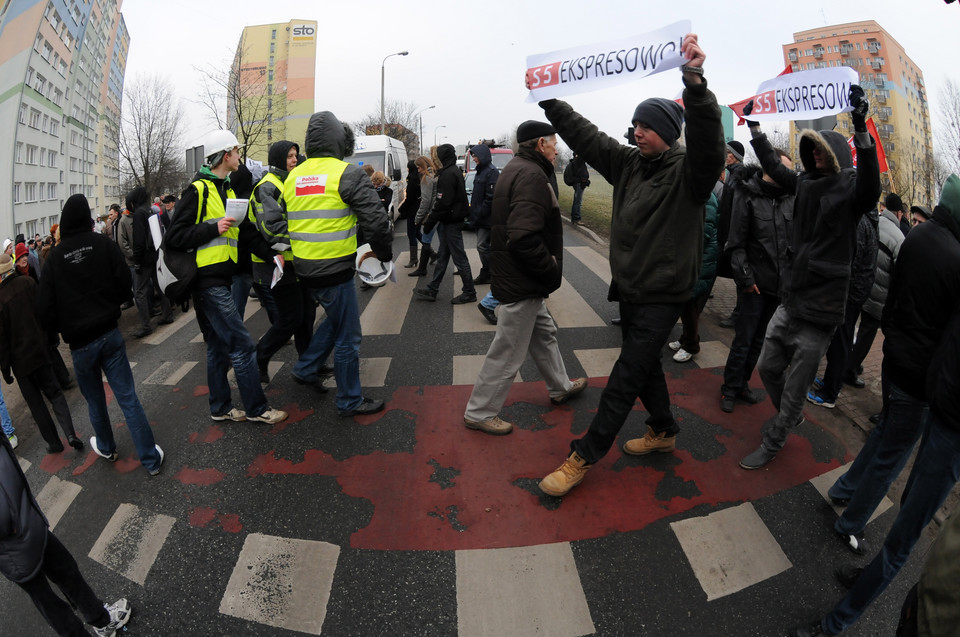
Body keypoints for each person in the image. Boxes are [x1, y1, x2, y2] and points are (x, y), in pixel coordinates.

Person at [536, 33, 725, 496]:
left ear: (669, 132)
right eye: (635, 123)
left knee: (626, 374)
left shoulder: (690, 174)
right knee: (647, 369)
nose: (637, 131)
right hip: (632, 289)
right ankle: (662, 430)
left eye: (647, 126)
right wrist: (549, 101)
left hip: (666, 293)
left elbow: (709, 146)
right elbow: (588, 136)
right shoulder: (628, 163)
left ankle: (583, 455)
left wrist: (695, 85)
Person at [737, 84, 881, 470]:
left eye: (820, 148)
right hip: (790, 301)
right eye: (810, 148)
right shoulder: (803, 183)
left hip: (820, 316)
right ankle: (789, 413)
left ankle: (777, 436)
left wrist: (860, 125)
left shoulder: (852, 191)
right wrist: (754, 129)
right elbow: (772, 166)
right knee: (767, 367)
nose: (814, 154)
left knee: (797, 390)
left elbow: (871, 184)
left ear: (834, 153)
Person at [824, 174, 960, 558]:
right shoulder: (954, 256)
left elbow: (896, 295)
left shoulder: (918, 236)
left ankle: (843, 489)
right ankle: (850, 523)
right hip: (919, 378)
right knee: (891, 457)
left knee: (884, 437)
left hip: (896, 359)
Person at [463, 121, 588, 436]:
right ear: (540, 144)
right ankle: (480, 411)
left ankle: (559, 386)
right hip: (524, 279)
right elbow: (522, 237)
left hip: (515, 274)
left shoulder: (516, 168)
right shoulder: (532, 175)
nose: (556, 149)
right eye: (553, 143)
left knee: (544, 333)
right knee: (508, 350)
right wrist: (549, 267)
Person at [165, 131, 288, 426]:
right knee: (242, 345)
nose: (239, 156)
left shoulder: (229, 191)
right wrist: (212, 228)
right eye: (236, 151)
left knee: (219, 346)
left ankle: (219, 407)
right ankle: (257, 409)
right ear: (224, 156)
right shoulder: (198, 190)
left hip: (223, 278)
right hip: (207, 282)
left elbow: (245, 233)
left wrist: (272, 254)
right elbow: (175, 236)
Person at [38, 194, 165, 475]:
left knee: (95, 400)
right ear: (86, 218)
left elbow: (45, 309)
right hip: (109, 333)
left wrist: (63, 326)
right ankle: (150, 459)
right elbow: (124, 284)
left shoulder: (55, 259)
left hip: (80, 344)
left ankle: (106, 446)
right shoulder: (102, 245)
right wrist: (110, 305)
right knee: (127, 397)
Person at [282, 111, 393, 417]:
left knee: (336, 320)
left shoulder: (293, 176)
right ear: (339, 141)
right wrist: (383, 256)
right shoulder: (346, 173)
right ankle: (348, 400)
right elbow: (376, 222)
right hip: (335, 269)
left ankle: (306, 367)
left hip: (305, 268)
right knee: (348, 337)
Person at [0, 433, 132, 637]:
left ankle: (102, 620)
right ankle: (96, 623)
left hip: (25, 519)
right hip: (10, 540)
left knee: (65, 570)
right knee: (50, 603)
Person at [719, 153, 795, 413]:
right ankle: (729, 388)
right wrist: (747, 279)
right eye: (784, 169)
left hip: (778, 289)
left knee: (760, 341)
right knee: (744, 339)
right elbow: (735, 243)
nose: (788, 175)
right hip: (753, 286)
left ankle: (742, 385)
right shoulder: (747, 194)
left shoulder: (788, 200)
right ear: (769, 167)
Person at [248, 140, 316, 385]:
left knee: (307, 315)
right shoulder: (267, 187)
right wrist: (307, 242)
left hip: (297, 262)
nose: (294, 160)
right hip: (276, 266)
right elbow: (273, 230)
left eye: (295, 155)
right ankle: (260, 356)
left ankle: (308, 365)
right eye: (289, 156)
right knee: (290, 319)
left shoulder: (292, 181)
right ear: (278, 159)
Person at [0, 254, 82, 454]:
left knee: (36, 404)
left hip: (21, 363)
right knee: (55, 393)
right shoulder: (28, 282)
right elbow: (45, 311)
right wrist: (52, 337)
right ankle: (70, 433)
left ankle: (54, 443)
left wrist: (5, 369)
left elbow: (1, 341)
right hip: (40, 350)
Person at [807, 209, 878, 408]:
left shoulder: (861, 221)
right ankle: (831, 381)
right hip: (855, 292)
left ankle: (830, 392)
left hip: (850, 294)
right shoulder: (868, 218)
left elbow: (850, 263)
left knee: (840, 343)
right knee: (841, 341)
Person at [844, 202, 904, 391]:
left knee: (848, 328)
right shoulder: (899, 237)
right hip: (879, 296)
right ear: (900, 214)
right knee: (866, 334)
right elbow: (899, 273)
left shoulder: (872, 221)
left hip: (860, 285)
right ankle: (849, 369)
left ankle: (846, 361)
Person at [415, 144, 476, 304]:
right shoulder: (452, 170)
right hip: (452, 220)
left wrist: (429, 223)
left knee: (460, 258)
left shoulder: (448, 175)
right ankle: (432, 289)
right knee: (442, 257)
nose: (435, 161)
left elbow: (443, 203)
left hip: (451, 222)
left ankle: (469, 291)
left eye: (436, 158)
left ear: (442, 158)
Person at [668, 181, 719, 363]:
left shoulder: (706, 196)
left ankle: (691, 345)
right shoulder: (695, 192)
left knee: (689, 303)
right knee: (686, 302)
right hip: (692, 257)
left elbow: (703, 232)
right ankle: (685, 339)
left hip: (700, 260)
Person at [131, 186, 174, 338]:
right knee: (160, 286)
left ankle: (145, 325)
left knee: (140, 292)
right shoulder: (151, 211)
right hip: (155, 254)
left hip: (144, 258)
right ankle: (167, 314)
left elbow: (139, 240)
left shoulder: (138, 214)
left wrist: (137, 261)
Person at [716, 140, 749, 329]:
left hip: (733, 235)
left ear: (734, 156)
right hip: (728, 233)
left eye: (727, 152)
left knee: (740, 276)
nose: (724, 155)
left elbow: (738, 209)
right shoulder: (732, 175)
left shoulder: (739, 176)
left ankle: (739, 315)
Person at [468, 144, 500, 285]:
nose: (474, 159)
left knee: (482, 246)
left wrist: (479, 214)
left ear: (483, 156)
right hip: (480, 217)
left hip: (487, 218)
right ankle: (489, 272)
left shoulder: (491, 172)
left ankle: (490, 272)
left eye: (475, 156)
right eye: (473, 156)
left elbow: (490, 198)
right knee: (484, 246)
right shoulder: (480, 171)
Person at [409, 154, 439, 277]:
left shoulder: (426, 178)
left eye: (419, 167)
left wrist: (418, 218)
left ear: (424, 166)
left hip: (431, 214)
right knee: (449, 242)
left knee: (426, 240)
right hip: (437, 212)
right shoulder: (435, 175)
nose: (417, 170)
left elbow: (425, 201)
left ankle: (422, 269)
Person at [397, 159, 422, 269]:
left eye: (408, 167)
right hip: (418, 209)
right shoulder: (419, 178)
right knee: (417, 233)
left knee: (411, 234)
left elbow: (409, 198)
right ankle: (431, 253)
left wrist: (401, 209)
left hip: (412, 211)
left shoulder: (412, 180)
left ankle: (414, 259)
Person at [564, 152, 590, 225]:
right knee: (578, 201)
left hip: (579, 183)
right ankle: (576, 218)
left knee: (577, 201)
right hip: (579, 184)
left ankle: (574, 218)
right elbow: (579, 173)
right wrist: (583, 180)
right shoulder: (578, 162)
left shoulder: (577, 161)